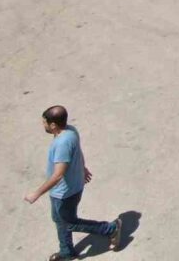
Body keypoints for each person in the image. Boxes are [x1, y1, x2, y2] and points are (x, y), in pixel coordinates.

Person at [24, 105, 122, 260]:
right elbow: (78, 152)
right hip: (67, 188)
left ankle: (111, 229)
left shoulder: (62, 143)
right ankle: (66, 252)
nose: (43, 125)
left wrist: (36, 193)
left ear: (53, 125)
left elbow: (58, 175)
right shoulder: (70, 130)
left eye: (44, 122)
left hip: (65, 192)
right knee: (59, 220)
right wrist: (83, 168)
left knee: (69, 223)